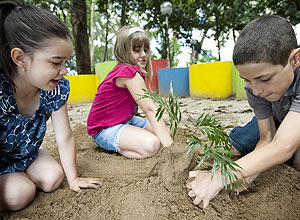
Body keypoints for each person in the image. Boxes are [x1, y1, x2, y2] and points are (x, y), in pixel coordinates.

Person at [186, 15, 300, 208]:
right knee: (234, 147)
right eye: (247, 80)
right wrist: (247, 175)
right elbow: (267, 137)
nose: (256, 90)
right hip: (279, 121)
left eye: (264, 79)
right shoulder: (255, 87)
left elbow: (283, 146)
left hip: (292, 125)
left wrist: (221, 177)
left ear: (295, 59)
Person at [0, 2, 100, 211]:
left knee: (54, 178)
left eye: (66, 62)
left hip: (27, 152)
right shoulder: (2, 92)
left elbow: (65, 136)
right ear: (20, 58)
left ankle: (23, 171)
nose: (63, 70)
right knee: (19, 194)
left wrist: (73, 179)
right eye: (56, 63)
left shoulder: (56, 88)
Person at [87, 26, 173, 159]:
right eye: (137, 50)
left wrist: (167, 140)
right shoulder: (127, 72)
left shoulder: (132, 71)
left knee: (166, 133)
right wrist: (171, 150)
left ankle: (128, 141)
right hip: (104, 129)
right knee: (153, 144)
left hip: (125, 120)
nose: (143, 54)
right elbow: (149, 109)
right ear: (124, 51)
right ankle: (117, 147)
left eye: (146, 49)